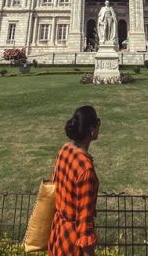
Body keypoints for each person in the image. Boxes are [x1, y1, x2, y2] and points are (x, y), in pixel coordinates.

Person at [48, 106, 100, 256]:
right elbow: (84, 224)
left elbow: (55, 185)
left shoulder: (64, 150)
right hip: (72, 243)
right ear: (91, 130)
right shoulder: (86, 171)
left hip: (57, 233)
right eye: (97, 122)